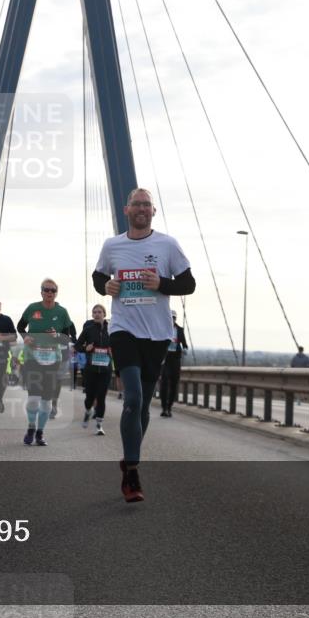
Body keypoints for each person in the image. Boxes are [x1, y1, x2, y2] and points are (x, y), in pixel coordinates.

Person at [93, 188, 195, 502]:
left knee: (144, 405)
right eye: (136, 204)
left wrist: (162, 284)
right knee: (133, 398)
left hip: (158, 335)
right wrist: (105, 286)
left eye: (147, 205)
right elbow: (98, 277)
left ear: (153, 211)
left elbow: (189, 284)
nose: (141, 208)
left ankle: (129, 461)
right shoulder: (113, 245)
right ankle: (134, 472)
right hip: (124, 330)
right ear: (127, 210)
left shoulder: (167, 244)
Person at [17, 278, 76, 446]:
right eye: (46, 290)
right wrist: (26, 336)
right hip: (32, 359)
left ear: (56, 293)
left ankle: (40, 433)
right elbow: (20, 326)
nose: (49, 293)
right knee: (33, 398)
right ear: (41, 291)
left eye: (53, 290)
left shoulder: (62, 312)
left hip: (52, 361)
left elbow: (70, 337)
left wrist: (57, 336)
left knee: (46, 400)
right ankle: (30, 428)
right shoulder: (33, 308)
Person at [75, 304, 111, 435]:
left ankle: (99, 425)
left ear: (104, 314)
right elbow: (77, 346)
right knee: (89, 397)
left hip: (106, 369)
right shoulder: (88, 329)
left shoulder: (111, 329)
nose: (97, 314)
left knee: (101, 397)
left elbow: (119, 345)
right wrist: (86, 349)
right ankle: (88, 411)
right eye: (94, 312)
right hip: (91, 369)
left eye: (99, 312)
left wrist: (114, 351)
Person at [158, 310, 189, 417]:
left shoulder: (180, 330)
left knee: (174, 383)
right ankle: (164, 407)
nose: (172, 320)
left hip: (175, 359)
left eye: (174, 318)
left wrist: (185, 349)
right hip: (165, 359)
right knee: (164, 383)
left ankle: (169, 407)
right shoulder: (162, 328)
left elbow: (184, 343)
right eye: (171, 317)